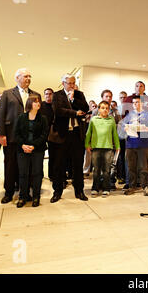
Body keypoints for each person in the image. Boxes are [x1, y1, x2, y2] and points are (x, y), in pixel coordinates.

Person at [0, 68, 41, 203]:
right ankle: (9, 192)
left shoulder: (35, 95)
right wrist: (2, 134)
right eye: (25, 76)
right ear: (17, 78)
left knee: (27, 166)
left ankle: (25, 192)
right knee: (10, 165)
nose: (28, 78)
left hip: (29, 136)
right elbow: (1, 115)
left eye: (29, 76)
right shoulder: (7, 94)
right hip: (11, 135)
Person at [50, 74, 89, 203]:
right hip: (62, 134)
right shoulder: (57, 95)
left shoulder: (79, 94)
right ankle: (57, 191)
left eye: (73, 82)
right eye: (69, 83)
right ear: (63, 83)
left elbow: (85, 108)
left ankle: (79, 191)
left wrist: (73, 100)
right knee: (59, 165)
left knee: (77, 164)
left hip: (77, 134)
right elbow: (58, 111)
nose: (72, 85)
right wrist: (74, 112)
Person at [14, 94, 48, 208]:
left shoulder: (43, 118)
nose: (38, 103)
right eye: (35, 101)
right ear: (29, 104)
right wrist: (23, 145)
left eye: (39, 102)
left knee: (37, 173)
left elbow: (44, 135)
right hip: (22, 149)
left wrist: (33, 146)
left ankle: (36, 197)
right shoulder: (21, 117)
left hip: (37, 149)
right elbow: (16, 134)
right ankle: (23, 197)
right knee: (23, 174)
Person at [85, 100, 120, 197]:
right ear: (99, 109)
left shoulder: (111, 120)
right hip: (96, 148)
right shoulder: (94, 119)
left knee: (107, 170)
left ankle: (106, 188)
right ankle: (95, 188)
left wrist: (117, 146)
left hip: (108, 148)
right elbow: (89, 133)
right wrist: (87, 144)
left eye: (107, 108)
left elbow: (115, 134)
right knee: (96, 170)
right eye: (102, 108)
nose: (105, 110)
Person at [121, 95, 148, 196]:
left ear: (142, 103)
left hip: (143, 144)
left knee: (143, 167)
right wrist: (125, 128)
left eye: (138, 102)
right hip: (130, 143)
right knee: (131, 167)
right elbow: (122, 125)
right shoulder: (129, 115)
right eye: (134, 102)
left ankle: (145, 186)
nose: (136, 104)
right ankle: (131, 186)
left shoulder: (147, 115)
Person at [40, 88, 55, 180]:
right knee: (39, 155)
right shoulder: (40, 105)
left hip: (53, 133)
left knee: (52, 155)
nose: (48, 96)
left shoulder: (55, 105)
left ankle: (51, 175)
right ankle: (39, 174)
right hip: (42, 133)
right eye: (46, 94)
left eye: (50, 94)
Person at [83, 100, 97, 177]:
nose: (94, 108)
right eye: (92, 106)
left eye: (95, 106)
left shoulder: (97, 115)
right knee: (87, 154)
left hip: (96, 137)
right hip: (87, 136)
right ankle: (86, 170)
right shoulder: (86, 115)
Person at [117, 91, 128, 187]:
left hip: (128, 136)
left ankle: (126, 176)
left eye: (124, 97)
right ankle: (120, 176)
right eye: (121, 97)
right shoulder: (117, 109)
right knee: (120, 157)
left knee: (126, 157)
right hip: (119, 135)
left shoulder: (130, 109)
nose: (123, 99)